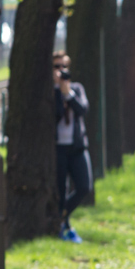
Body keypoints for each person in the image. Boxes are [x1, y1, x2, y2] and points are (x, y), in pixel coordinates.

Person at [54, 51, 91, 244]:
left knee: (84, 186)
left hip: (77, 147)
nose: (61, 71)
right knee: (61, 189)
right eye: (57, 67)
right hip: (58, 149)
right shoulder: (50, 92)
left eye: (64, 67)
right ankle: (64, 225)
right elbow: (55, 116)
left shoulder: (76, 88)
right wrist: (58, 93)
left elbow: (82, 110)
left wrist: (67, 93)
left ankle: (60, 218)